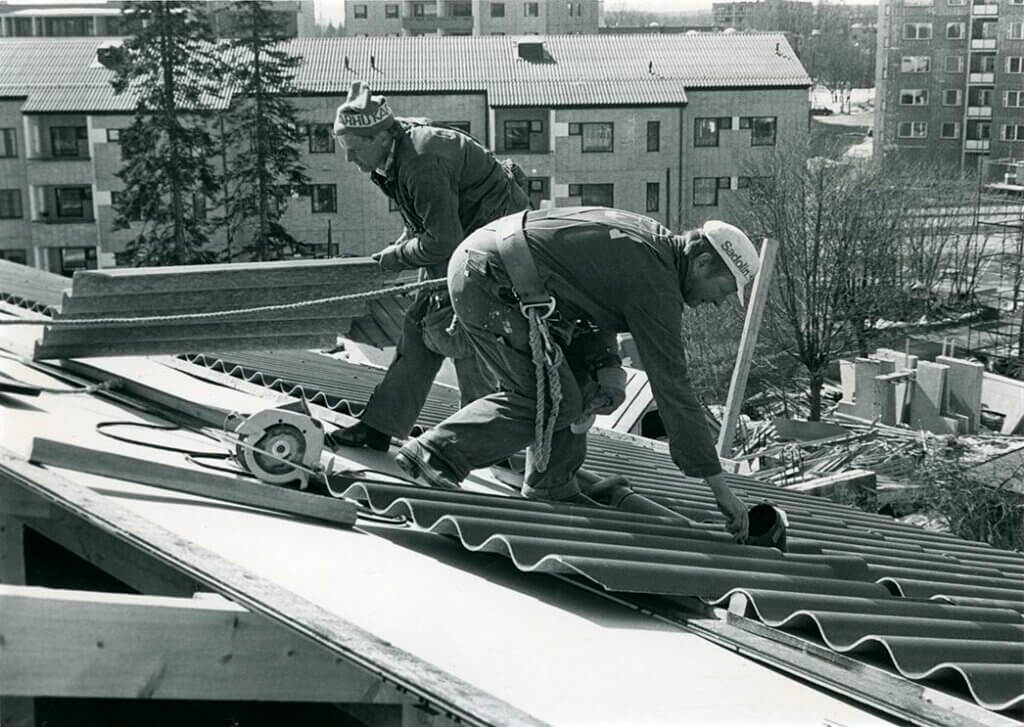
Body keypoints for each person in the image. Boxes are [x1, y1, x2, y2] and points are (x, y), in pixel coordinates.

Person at [395, 206, 759, 542]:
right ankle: (434, 454)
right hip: (490, 281)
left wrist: (606, 365)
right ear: (702, 262)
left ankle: (551, 486)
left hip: (499, 271)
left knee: (580, 386)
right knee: (553, 400)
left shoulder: (653, 244)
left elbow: (592, 294)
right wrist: (719, 488)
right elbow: (673, 389)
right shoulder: (657, 283)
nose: (718, 302)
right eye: (724, 290)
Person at [329, 80, 531, 452]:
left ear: (379, 137)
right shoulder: (394, 150)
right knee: (420, 322)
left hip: (494, 245)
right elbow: (424, 219)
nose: (349, 160)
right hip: (465, 235)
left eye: (354, 149)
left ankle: (479, 444)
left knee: (463, 332)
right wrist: (401, 247)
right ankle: (380, 426)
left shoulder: (421, 160)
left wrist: (398, 257)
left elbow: (443, 241)